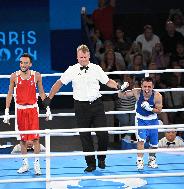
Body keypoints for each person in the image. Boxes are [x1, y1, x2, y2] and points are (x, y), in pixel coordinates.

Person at [42, 44, 125, 172]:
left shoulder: (96, 68)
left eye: (85, 57)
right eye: (81, 57)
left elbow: (107, 81)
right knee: (85, 136)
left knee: (103, 134)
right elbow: (59, 83)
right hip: (81, 107)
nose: (83, 59)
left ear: (89, 56)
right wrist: (49, 98)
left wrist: (118, 86)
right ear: (77, 57)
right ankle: (91, 163)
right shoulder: (72, 69)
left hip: (97, 105)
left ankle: (101, 158)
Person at [3, 53, 48, 175]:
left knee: (35, 138)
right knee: (22, 140)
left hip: (33, 109)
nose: (23, 65)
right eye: (21, 62)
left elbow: (42, 93)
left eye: (26, 63)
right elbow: (9, 94)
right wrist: (6, 111)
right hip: (20, 110)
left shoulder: (36, 75)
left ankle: (37, 165)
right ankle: (25, 164)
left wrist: (48, 108)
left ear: (30, 64)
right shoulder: (14, 76)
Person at [118, 77, 163, 170]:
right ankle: (140, 161)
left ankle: (152, 160)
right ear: (141, 86)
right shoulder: (136, 92)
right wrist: (121, 88)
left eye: (149, 86)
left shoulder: (157, 96)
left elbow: (159, 110)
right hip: (140, 119)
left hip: (153, 119)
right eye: (145, 86)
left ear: (153, 86)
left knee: (154, 143)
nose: (147, 89)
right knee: (141, 140)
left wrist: (150, 109)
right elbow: (121, 96)